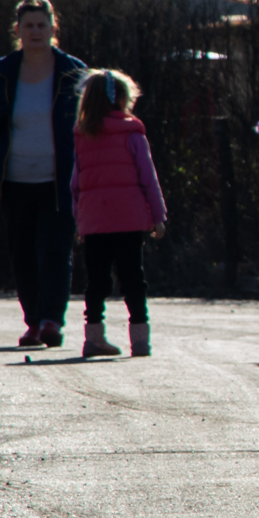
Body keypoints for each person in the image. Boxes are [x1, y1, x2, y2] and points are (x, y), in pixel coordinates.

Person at [0, 0, 89, 349]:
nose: (36, 31)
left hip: (59, 181)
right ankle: (32, 322)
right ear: (18, 30)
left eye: (42, 25)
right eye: (29, 25)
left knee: (56, 251)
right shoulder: (3, 70)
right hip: (14, 181)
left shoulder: (72, 70)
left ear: (53, 28)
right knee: (22, 253)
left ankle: (51, 321)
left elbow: (91, 119)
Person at [68, 68, 166, 358]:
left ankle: (94, 338)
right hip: (130, 219)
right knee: (133, 278)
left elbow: (76, 183)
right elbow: (148, 178)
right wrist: (158, 215)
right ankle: (140, 340)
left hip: (95, 221)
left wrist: (79, 219)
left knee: (97, 280)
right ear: (122, 99)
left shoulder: (82, 135)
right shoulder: (133, 133)